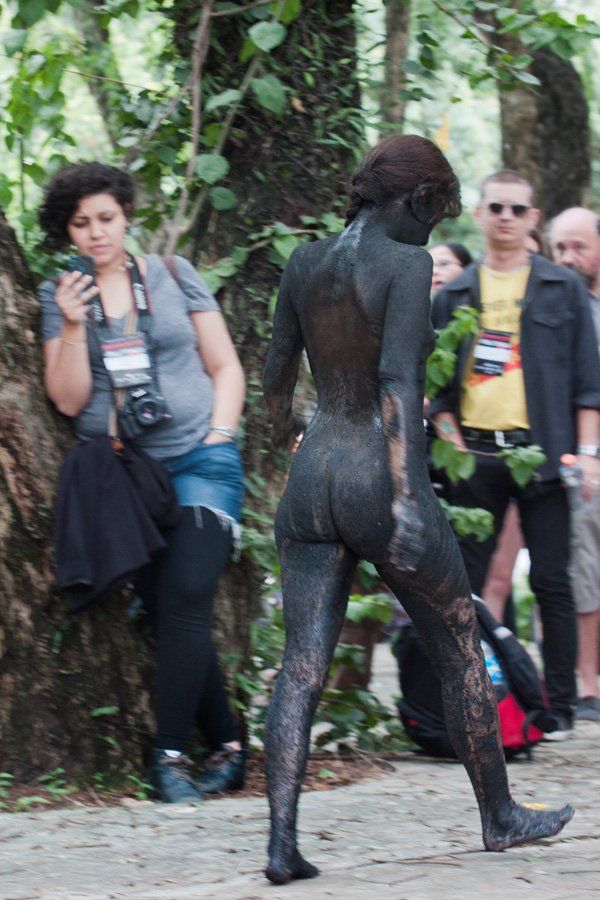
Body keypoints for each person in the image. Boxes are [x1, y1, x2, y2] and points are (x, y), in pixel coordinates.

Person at [262, 137, 573, 886]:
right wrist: (405, 496)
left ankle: (281, 845)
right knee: (459, 642)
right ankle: (499, 815)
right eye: (435, 212)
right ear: (415, 200)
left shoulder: (304, 262)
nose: (433, 229)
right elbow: (399, 384)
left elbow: (273, 380)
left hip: (313, 473)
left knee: (300, 664)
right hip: (378, 474)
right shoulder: (405, 265)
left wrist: (294, 437)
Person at [38, 162, 247, 802]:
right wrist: (73, 323)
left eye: (106, 217)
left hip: (202, 462)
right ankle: (229, 747)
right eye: (81, 223)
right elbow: (68, 400)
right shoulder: (59, 296)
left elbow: (225, 365)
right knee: (165, 611)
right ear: (67, 231)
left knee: (185, 594)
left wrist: (219, 435)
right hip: (131, 479)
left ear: (126, 215)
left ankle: (169, 758)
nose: (96, 232)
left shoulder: (175, 274)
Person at [430, 171, 600, 740]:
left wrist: (588, 454)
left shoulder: (562, 287)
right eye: (496, 207)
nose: (506, 217)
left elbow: (588, 381)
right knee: (467, 587)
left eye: (517, 209)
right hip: (475, 457)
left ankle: (559, 707)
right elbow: (435, 386)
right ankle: (474, 701)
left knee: (553, 581)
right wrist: (452, 440)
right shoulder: (453, 293)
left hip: (544, 457)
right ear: (479, 214)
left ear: (533, 219)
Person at [548, 206, 600, 721]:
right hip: (580, 459)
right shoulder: (557, 306)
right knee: (584, 569)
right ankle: (587, 686)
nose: (567, 257)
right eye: (560, 247)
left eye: (578, 246)